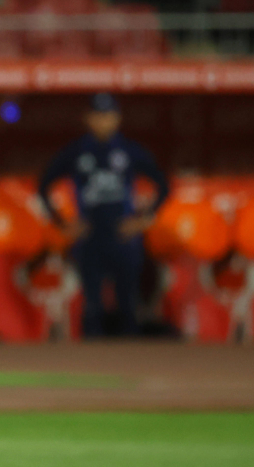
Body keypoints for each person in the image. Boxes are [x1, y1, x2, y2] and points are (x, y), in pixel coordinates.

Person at [37, 93, 168, 338]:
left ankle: (131, 368)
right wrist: (63, 223)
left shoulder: (128, 151)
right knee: (92, 307)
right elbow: (44, 185)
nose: (103, 121)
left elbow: (163, 184)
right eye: (98, 116)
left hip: (123, 237)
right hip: (89, 237)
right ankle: (91, 368)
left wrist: (142, 219)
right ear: (88, 118)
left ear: (117, 118)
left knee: (128, 306)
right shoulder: (77, 151)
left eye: (108, 116)